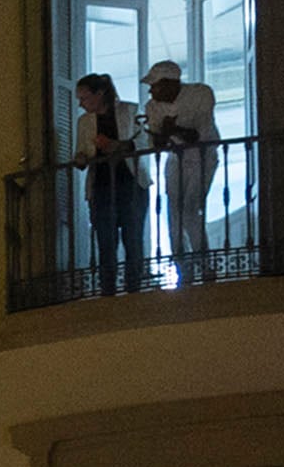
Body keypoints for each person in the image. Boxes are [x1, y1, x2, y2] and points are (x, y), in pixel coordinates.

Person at [73, 73, 149, 294]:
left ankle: (134, 287)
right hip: (101, 187)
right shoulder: (85, 122)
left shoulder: (131, 111)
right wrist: (80, 158)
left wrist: (118, 146)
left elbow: (144, 141)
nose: (81, 103)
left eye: (85, 98)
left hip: (131, 183)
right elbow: (82, 151)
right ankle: (108, 290)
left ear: (100, 94)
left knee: (133, 238)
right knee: (106, 242)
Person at [140, 60, 220, 265]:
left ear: (169, 83)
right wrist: (163, 133)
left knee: (190, 209)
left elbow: (198, 135)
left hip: (203, 156)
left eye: (154, 86)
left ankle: (204, 261)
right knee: (173, 212)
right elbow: (156, 143)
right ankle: (181, 265)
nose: (151, 92)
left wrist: (172, 130)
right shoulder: (152, 107)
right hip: (175, 158)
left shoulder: (201, 94)